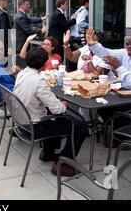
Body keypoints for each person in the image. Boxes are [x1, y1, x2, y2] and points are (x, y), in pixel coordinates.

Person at [14, 47, 88, 177]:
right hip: (33, 127)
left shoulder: (22, 73)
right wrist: (63, 104)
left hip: (21, 123)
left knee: (58, 117)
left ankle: (48, 152)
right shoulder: (39, 81)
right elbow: (57, 109)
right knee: (81, 126)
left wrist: (56, 104)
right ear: (43, 65)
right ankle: (63, 165)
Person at [14, 0, 48, 68]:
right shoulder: (20, 16)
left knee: (24, 60)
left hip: (23, 41)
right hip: (21, 42)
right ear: (22, 5)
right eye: (27, 4)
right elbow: (28, 30)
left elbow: (29, 20)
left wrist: (41, 19)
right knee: (22, 61)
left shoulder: (22, 14)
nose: (29, 6)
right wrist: (41, 30)